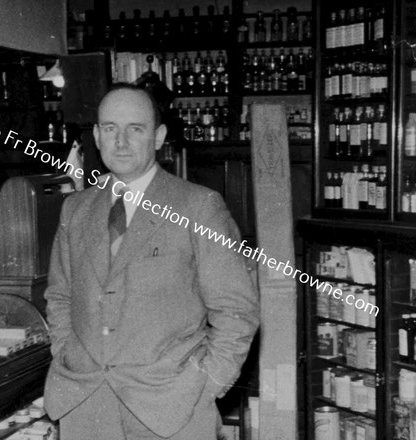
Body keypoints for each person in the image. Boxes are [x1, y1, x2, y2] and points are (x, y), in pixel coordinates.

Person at [43, 83, 260, 440]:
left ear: (158, 137)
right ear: (96, 136)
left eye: (136, 129)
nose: (121, 141)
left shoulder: (199, 206)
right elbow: (60, 296)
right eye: (110, 128)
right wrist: (67, 350)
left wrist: (205, 385)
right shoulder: (76, 209)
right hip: (85, 406)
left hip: (172, 409)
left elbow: (237, 311)